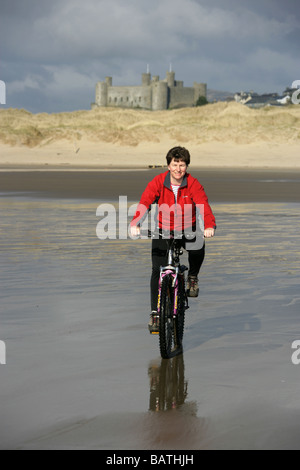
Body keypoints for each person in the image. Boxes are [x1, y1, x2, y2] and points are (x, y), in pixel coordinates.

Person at [130, 146, 216, 333]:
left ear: (186, 166)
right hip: (164, 229)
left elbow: (203, 205)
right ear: (168, 165)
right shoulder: (158, 181)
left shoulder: (193, 183)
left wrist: (209, 226)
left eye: (182, 165)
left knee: (198, 245)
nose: (178, 169)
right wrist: (136, 223)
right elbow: (145, 202)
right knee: (156, 270)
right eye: (175, 164)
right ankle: (155, 313)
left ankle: (192, 277)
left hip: (187, 228)